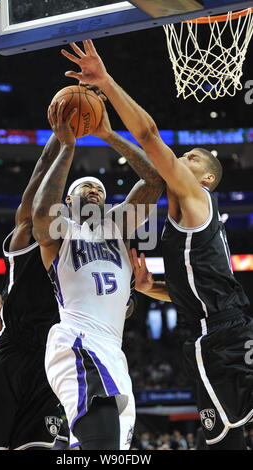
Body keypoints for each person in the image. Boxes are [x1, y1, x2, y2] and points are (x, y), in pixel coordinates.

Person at [62, 39, 253, 450]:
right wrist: (154, 289)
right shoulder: (190, 219)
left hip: (218, 339)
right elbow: (205, 291)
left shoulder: (194, 196)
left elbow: (148, 136)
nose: (179, 161)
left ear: (204, 180)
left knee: (223, 443)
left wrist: (107, 86)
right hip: (227, 329)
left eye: (190, 160)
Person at [32, 97, 164, 450]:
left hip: (112, 353)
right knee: (102, 443)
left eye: (99, 191)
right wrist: (67, 148)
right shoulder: (61, 233)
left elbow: (154, 181)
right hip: (78, 342)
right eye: (83, 189)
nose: (93, 192)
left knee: (106, 447)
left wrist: (107, 133)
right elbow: (41, 213)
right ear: (69, 201)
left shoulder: (117, 228)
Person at [0, 132, 67, 450]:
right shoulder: (26, 239)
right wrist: (59, 143)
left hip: (50, 360)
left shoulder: (80, 254)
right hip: (10, 354)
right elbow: (35, 190)